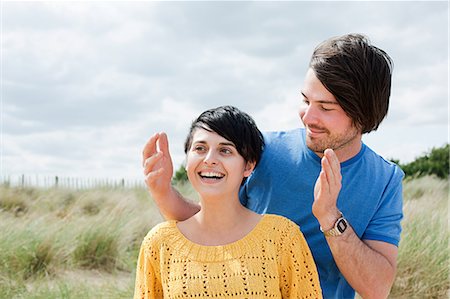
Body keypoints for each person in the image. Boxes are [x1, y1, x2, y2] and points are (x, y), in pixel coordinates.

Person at [142, 34, 404, 299]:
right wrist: (163, 192)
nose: (307, 117)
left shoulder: (385, 180)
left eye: (325, 107)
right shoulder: (264, 151)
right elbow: (209, 226)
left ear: (362, 114)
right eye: (305, 100)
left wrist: (329, 217)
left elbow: (376, 288)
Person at [135, 106, 322, 298]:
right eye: (200, 148)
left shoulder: (282, 237)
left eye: (225, 150)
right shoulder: (158, 243)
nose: (209, 159)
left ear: (248, 165)